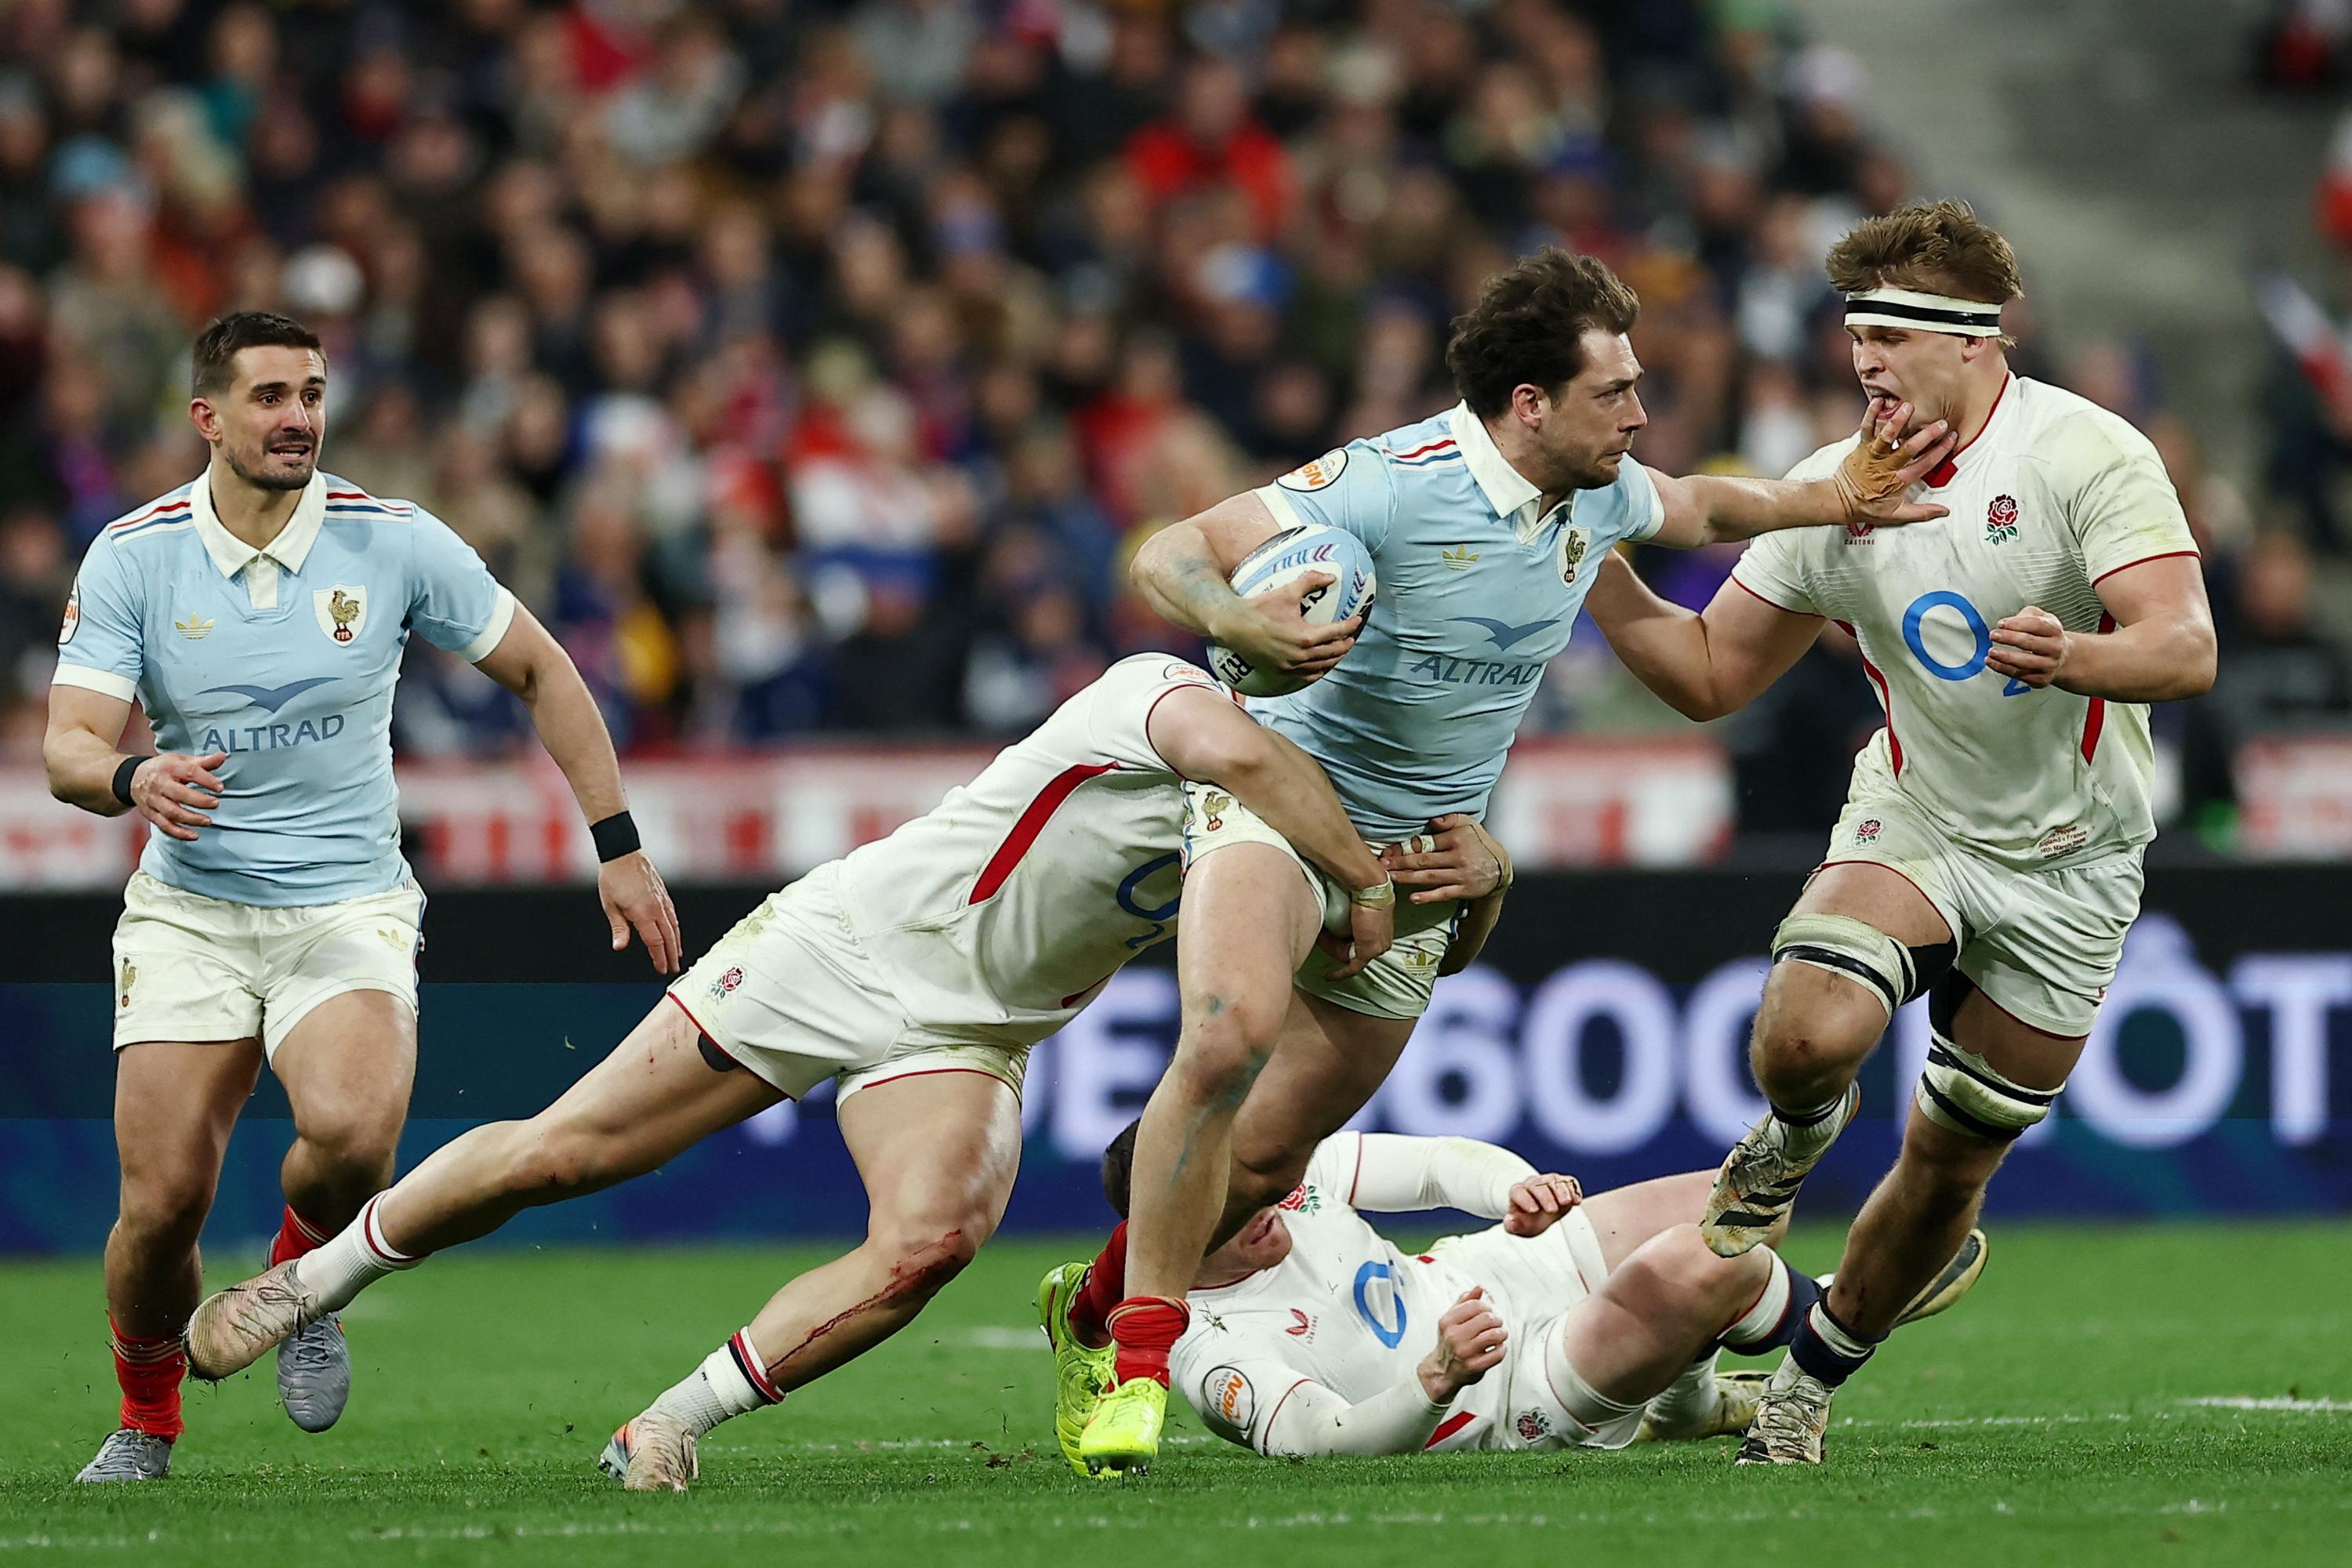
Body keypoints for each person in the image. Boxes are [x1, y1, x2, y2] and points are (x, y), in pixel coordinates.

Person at [1049, 244, 1961, 1476]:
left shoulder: (1597, 494)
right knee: (1225, 1037)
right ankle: (1135, 1364)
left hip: (1422, 861)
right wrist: (1236, 621)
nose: (1639, 414)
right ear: (1528, 404)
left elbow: (1702, 506)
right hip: (1282, 801)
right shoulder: (1388, 480)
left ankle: (1094, 1304)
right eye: (1614, 393)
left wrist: (1840, 494)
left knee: (1262, 1162)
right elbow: (1172, 552)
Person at [180, 653, 1397, 1492]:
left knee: (933, 1241)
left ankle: (667, 1426)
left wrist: (1438, 870)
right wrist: (1367, 867)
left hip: (973, 1035)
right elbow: (1219, 749)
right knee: (570, 1152)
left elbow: (1377, 920)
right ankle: (306, 1286)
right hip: (849, 945)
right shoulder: (1167, 692)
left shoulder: (1307, 809)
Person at [1583, 200, 2216, 1464]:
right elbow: (1710, 675)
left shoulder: (2084, 455)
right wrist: (1594, 557)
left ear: (1973, 342)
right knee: (1808, 1035)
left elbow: (2187, 645)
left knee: (1947, 1165)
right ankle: (1795, 1135)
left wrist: (2082, 653)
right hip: (1918, 811)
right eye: (1853, 334)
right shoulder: (1842, 488)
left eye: (1887, 334)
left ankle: (1807, 1385)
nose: (1862, 360)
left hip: (2077, 863)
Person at [42, 311, 679, 1483]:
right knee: (162, 1207)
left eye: (312, 394)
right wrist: (136, 774)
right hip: (191, 910)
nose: (298, 417)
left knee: (351, 1141)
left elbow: (541, 667)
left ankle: (301, 1280)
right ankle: (148, 1418)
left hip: (345, 906)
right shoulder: (134, 553)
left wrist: (618, 844)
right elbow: (70, 748)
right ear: (209, 417)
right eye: (271, 396)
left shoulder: (392, 541)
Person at [1091, 1123, 1986, 1460]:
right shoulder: (1203, 1344)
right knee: (1706, 1263)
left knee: (1732, 1206)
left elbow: (1437, 1160)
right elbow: (1318, 1439)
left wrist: (1513, 1190)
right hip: (1504, 1386)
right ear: (1170, 1233)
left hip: (1490, 1272)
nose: (1267, 1200)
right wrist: (1432, 1379)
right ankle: (1835, 1311)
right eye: (1232, 1207)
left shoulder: (1276, 1164)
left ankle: (1690, 1394)